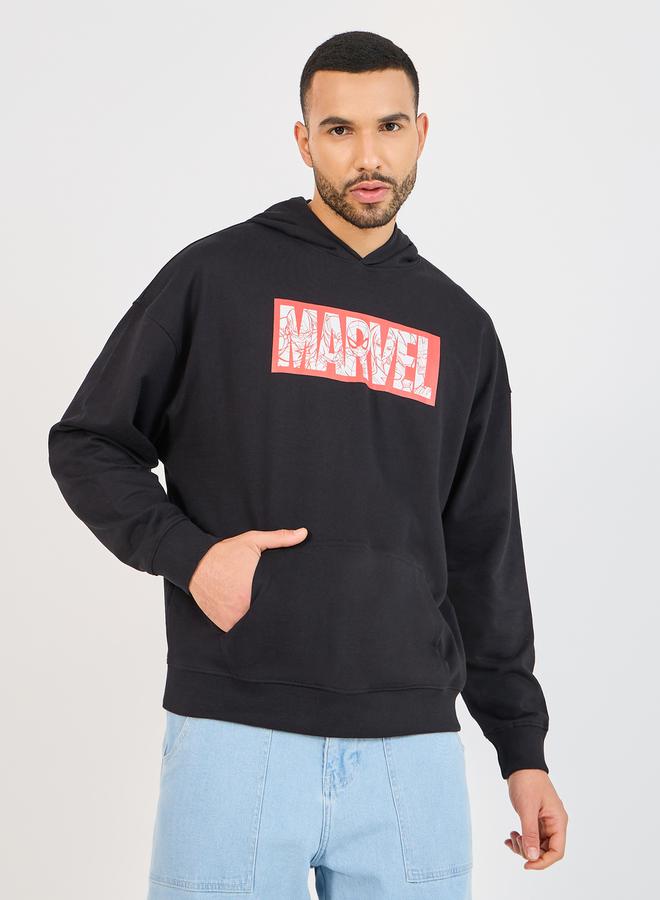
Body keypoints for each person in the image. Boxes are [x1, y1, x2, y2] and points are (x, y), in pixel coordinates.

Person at [47, 29, 568, 900]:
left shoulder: (460, 326)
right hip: (236, 733)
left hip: (411, 752)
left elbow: (485, 551)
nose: (368, 157)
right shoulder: (216, 278)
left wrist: (523, 750)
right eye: (339, 130)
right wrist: (192, 557)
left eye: (389, 127)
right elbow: (88, 442)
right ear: (303, 140)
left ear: (421, 134)